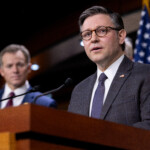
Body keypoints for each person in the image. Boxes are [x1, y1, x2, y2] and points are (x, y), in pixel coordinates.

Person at [68, 6, 150, 130]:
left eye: (102, 31)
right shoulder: (79, 91)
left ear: (121, 36)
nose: (94, 39)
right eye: (87, 34)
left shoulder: (145, 75)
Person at [0, 44, 57, 108]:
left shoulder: (45, 104)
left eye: (20, 65)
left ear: (29, 68)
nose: (15, 70)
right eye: (9, 66)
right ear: (1, 71)